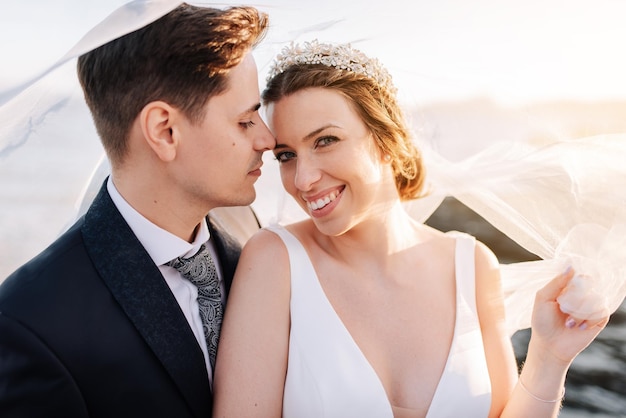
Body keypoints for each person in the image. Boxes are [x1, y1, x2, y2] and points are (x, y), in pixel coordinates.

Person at [212, 40, 610, 417]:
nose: (303, 179)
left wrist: (549, 357)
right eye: (286, 155)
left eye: (326, 140)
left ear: (386, 140)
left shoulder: (471, 263)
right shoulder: (274, 260)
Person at [0, 3, 273, 417]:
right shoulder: (31, 321)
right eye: (246, 121)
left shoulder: (259, 251)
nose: (268, 140)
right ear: (164, 131)